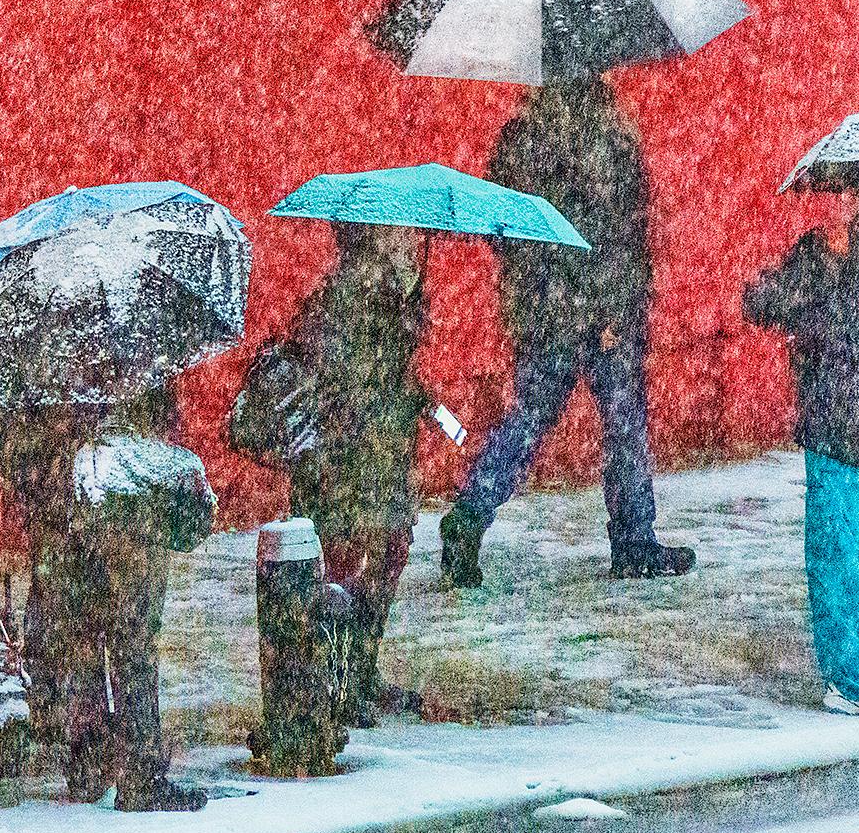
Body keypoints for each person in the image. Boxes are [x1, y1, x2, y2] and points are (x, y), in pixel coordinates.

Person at [442, 74, 694, 587]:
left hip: (544, 312)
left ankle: (470, 514)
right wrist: (605, 307)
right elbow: (622, 233)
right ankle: (634, 540)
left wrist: (546, 291)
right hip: (601, 312)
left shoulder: (520, 139)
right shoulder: (606, 137)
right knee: (623, 426)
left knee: (531, 417)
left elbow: (505, 230)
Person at [744, 182, 859, 716]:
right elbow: (762, 301)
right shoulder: (825, 258)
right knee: (838, 551)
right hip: (838, 427)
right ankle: (852, 677)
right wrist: (812, 278)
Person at [282, 221, 429, 725]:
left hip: (382, 460)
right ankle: (339, 684)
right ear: (372, 242)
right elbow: (352, 388)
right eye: (399, 236)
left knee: (386, 558)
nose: (409, 243)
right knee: (345, 572)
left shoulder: (388, 299)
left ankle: (361, 672)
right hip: (347, 466)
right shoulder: (344, 304)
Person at [62, 386, 214, 811]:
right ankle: (141, 776)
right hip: (132, 537)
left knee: (83, 645)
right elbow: (193, 513)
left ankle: (89, 762)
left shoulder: (63, 369)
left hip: (74, 530)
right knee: (134, 651)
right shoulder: (146, 363)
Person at [0, 398, 86, 750]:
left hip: (54, 519)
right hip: (67, 520)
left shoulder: (22, 386)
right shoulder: (91, 386)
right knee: (68, 623)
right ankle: (67, 725)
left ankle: (57, 720)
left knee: (53, 612)